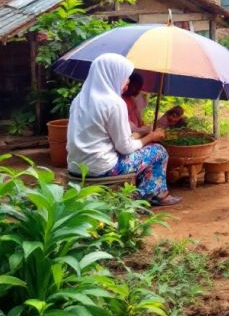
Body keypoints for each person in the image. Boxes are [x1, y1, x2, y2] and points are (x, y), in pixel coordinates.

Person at [67, 53, 179, 206]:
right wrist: (150, 137)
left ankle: (143, 192)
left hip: (75, 167)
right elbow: (125, 148)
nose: (127, 82)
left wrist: (138, 136)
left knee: (141, 148)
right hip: (102, 168)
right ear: (113, 74)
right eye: (125, 76)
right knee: (158, 151)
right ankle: (155, 195)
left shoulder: (79, 99)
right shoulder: (114, 103)